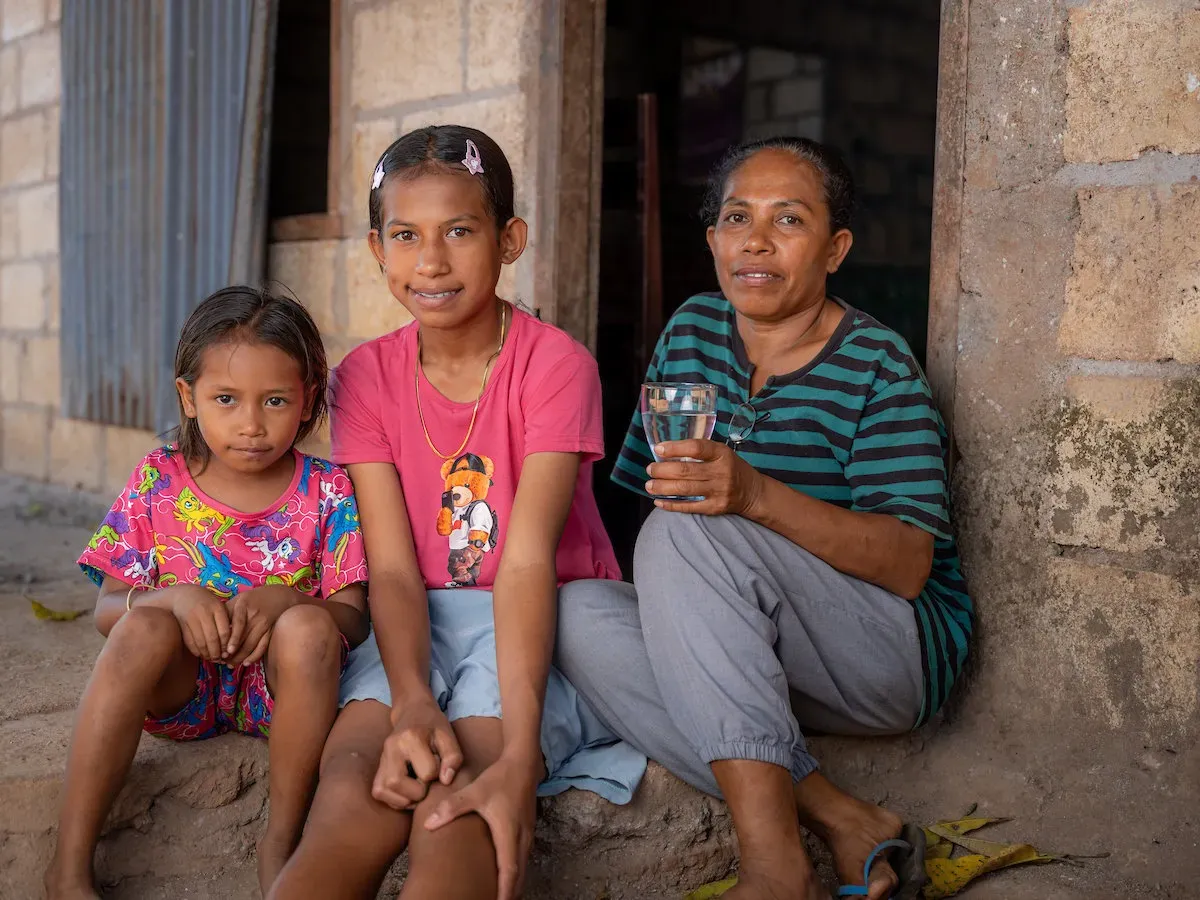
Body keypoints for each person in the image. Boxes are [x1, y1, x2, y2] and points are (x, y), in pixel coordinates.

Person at [555, 137, 973, 900]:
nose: (756, 240)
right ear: (712, 239)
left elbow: (910, 565)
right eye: (737, 217)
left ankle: (775, 863)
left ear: (834, 249)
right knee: (577, 611)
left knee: (685, 523)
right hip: (760, 646)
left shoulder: (878, 366)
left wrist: (753, 496)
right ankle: (840, 815)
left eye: (789, 220)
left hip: (886, 653)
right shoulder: (692, 332)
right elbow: (648, 509)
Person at [268, 125, 645, 900]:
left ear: (510, 240)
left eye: (460, 232)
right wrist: (408, 699)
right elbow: (395, 568)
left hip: (534, 622)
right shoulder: (366, 378)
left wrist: (519, 749)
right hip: (413, 627)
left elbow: (528, 561)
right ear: (377, 249)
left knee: (455, 809)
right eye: (405, 236)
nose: (430, 262)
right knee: (351, 793)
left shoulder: (556, 366)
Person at [44, 287, 371, 900]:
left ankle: (281, 843)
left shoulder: (328, 490)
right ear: (188, 398)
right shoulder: (158, 479)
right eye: (227, 399)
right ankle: (67, 866)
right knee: (141, 627)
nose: (251, 424)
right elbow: (106, 612)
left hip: (284, 700)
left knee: (310, 629)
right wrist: (174, 598)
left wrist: (288, 601)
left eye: (275, 400)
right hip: (178, 694)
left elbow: (351, 621)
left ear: (307, 402)